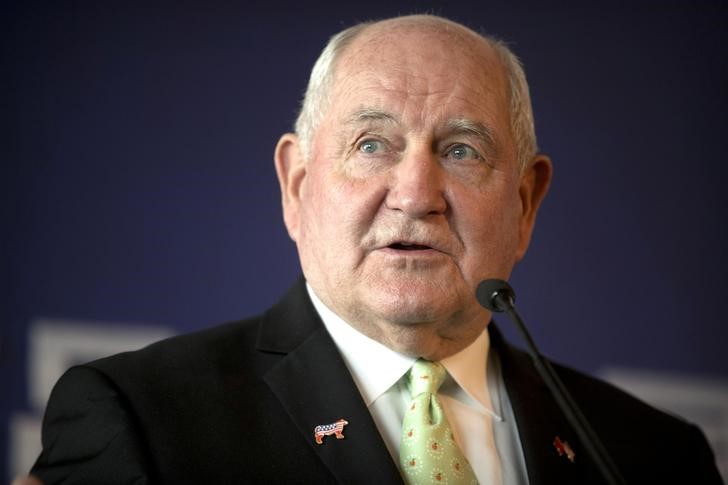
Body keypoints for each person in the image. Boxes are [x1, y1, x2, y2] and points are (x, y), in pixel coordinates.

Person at [26, 14, 722, 485]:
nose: (416, 193)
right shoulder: (141, 419)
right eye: (371, 145)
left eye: (460, 149)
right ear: (297, 185)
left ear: (525, 202)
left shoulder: (655, 456)